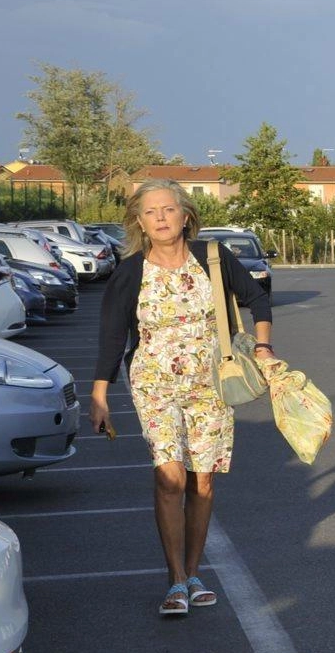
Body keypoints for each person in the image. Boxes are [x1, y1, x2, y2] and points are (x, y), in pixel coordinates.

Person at [92, 179, 274, 617]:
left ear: (185, 215)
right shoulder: (131, 270)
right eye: (150, 211)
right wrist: (99, 394)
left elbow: (258, 301)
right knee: (169, 476)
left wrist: (264, 349)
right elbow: (113, 335)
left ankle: (193, 573)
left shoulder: (212, 258)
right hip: (154, 385)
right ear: (139, 221)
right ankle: (175, 580)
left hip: (211, 383)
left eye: (168, 210)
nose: (160, 218)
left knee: (203, 479)